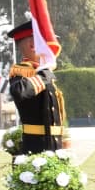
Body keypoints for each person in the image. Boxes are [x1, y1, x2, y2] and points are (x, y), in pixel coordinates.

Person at [7, 21, 65, 153]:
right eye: (48, 43)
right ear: (32, 45)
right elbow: (18, 91)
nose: (53, 48)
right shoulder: (22, 71)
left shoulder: (41, 72)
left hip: (54, 147)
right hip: (36, 149)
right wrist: (45, 73)